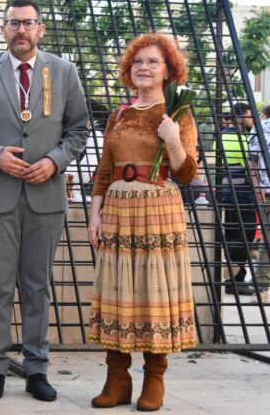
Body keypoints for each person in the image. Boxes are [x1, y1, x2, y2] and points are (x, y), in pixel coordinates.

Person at [0, 0, 89, 402]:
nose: (21, 30)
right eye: (14, 24)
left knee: (36, 287)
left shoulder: (63, 72)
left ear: (40, 29)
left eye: (28, 23)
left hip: (46, 197)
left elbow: (79, 131)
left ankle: (36, 369)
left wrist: (54, 161)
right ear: (5, 29)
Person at [87, 33, 198, 411]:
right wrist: (94, 214)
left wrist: (172, 140)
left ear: (168, 71)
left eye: (152, 62)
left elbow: (186, 173)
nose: (144, 68)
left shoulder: (178, 114)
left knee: (153, 294)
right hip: (118, 210)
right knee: (119, 291)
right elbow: (104, 170)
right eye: (138, 62)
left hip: (158, 210)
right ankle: (116, 379)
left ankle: (155, 378)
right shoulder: (119, 114)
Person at [216, 102, 256, 296]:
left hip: (226, 193)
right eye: (249, 114)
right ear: (240, 117)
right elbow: (250, 166)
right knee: (244, 237)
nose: (251, 118)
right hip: (243, 194)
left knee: (232, 234)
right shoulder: (241, 140)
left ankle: (234, 278)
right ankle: (235, 280)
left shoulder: (221, 137)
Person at [248, 104, 270, 303]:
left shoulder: (259, 127)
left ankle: (262, 288)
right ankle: (262, 287)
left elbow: (251, 160)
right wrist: (257, 187)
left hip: (265, 189)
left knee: (266, 240)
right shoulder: (262, 127)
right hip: (267, 189)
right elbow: (252, 159)